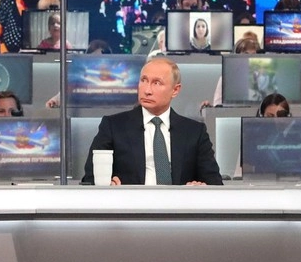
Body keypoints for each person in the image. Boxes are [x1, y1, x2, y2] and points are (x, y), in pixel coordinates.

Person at [81, 57, 223, 186]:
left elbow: (214, 183)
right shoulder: (113, 126)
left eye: (157, 83)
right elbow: (89, 179)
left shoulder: (195, 132)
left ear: (175, 90)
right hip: (131, 205)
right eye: (143, 80)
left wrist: (201, 188)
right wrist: (107, 186)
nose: (147, 90)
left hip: (178, 205)